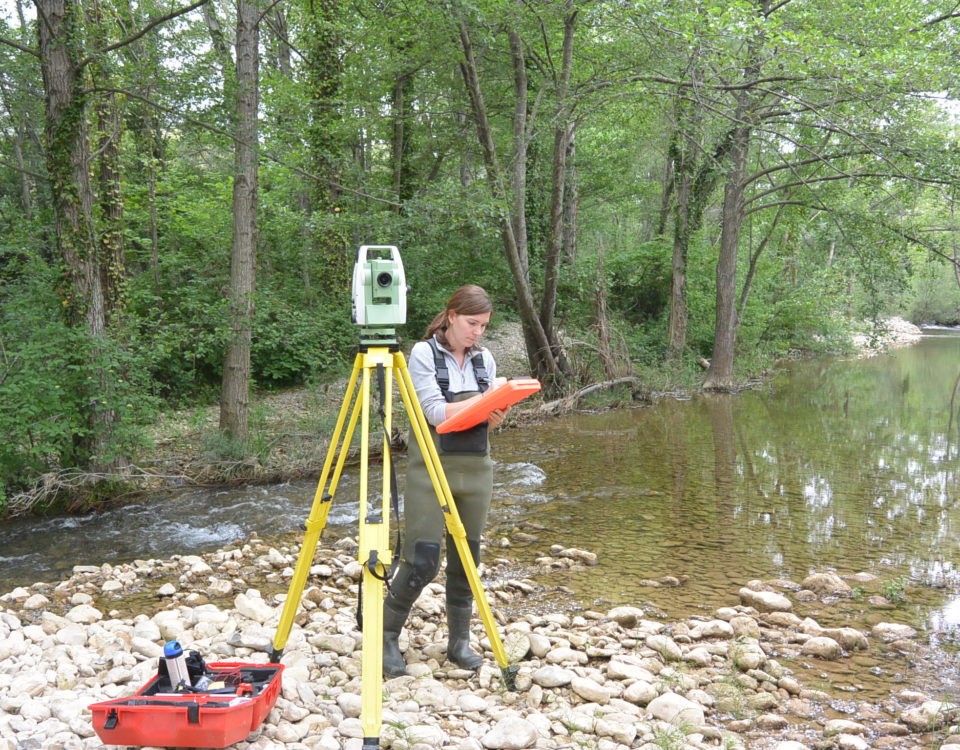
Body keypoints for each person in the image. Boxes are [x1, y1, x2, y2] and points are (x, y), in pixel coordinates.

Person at [383, 284, 508, 677]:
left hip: (476, 469)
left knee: (467, 559)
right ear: (451, 315)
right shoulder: (423, 353)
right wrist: (485, 400)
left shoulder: (483, 357)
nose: (478, 333)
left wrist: (497, 412)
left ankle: (459, 642)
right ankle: (386, 637)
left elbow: (482, 416)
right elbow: (436, 414)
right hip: (430, 469)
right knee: (422, 560)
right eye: (472, 323)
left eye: (484, 326)